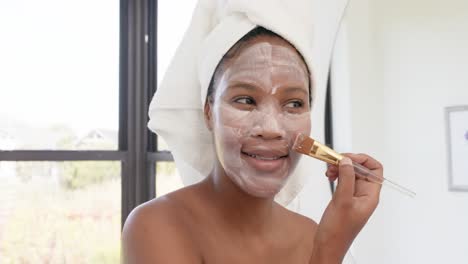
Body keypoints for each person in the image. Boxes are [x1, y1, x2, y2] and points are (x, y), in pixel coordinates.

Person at [121, 24, 382, 263]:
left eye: (294, 104)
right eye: (245, 100)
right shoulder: (157, 225)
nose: (271, 128)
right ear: (209, 112)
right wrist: (329, 249)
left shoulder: (309, 233)